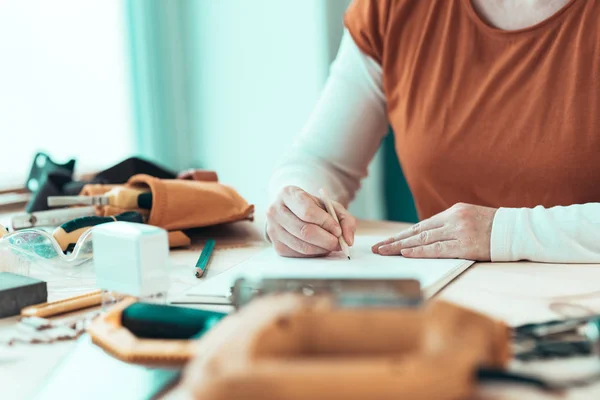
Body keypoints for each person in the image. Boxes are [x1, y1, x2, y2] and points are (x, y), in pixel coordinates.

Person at [267, 0, 600, 263]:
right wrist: (297, 209)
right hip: (446, 304)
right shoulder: (394, 8)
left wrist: (501, 233)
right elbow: (323, 161)